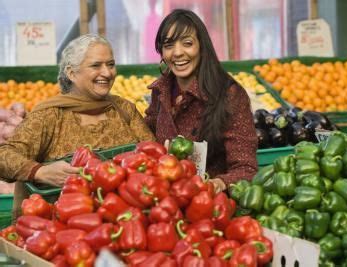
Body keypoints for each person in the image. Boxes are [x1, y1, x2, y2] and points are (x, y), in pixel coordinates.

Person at [0, 34, 155, 219]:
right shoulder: (50, 115)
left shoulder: (124, 109)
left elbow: (152, 154)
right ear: (72, 73)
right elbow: (4, 156)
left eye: (111, 64)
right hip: (67, 227)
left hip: (126, 220)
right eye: (96, 65)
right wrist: (39, 171)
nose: (107, 73)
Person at [145, 9, 258, 193]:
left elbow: (246, 169)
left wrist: (218, 184)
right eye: (169, 45)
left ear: (202, 46)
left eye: (187, 43)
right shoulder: (161, 91)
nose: (178, 53)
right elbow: (146, 138)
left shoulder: (229, 95)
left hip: (208, 204)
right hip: (164, 201)